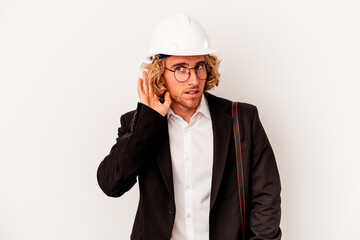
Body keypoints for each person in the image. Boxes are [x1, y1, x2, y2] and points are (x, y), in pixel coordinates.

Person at [97, 13, 281, 240]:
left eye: (199, 67)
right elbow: (111, 184)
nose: (194, 80)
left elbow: (266, 197)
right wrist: (148, 121)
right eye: (181, 69)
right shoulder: (137, 124)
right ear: (159, 73)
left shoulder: (242, 119)